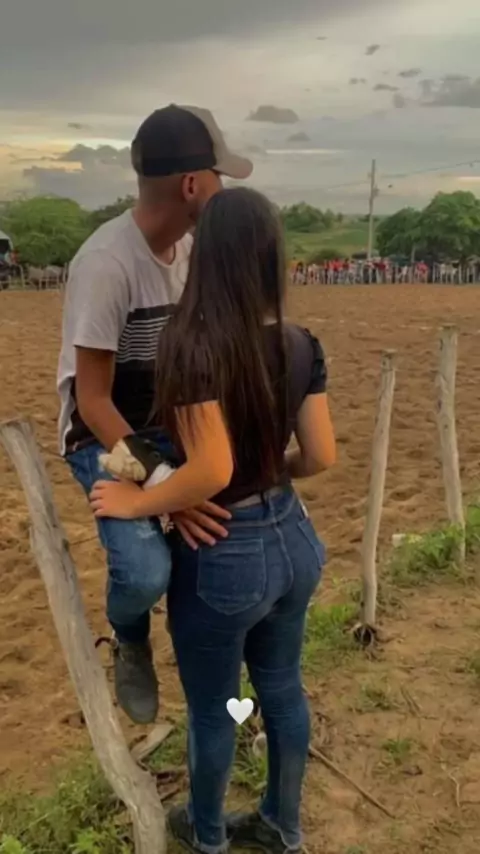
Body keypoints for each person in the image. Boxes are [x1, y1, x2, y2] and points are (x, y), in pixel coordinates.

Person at [89, 187, 336, 854]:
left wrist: (135, 502)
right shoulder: (300, 343)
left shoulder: (193, 345)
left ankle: (207, 837)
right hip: (295, 540)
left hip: (227, 553)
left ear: (208, 255)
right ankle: (282, 828)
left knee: (212, 709)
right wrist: (271, 472)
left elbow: (211, 471)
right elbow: (320, 454)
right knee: (281, 688)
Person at [57, 104, 253, 725]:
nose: (223, 190)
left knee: (229, 526)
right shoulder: (106, 264)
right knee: (143, 573)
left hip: (175, 422)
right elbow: (92, 400)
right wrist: (165, 484)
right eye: (219, 177)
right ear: (193, 184)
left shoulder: (192, 253)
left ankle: (222, 677)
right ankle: (130, 634)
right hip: (106, 436)